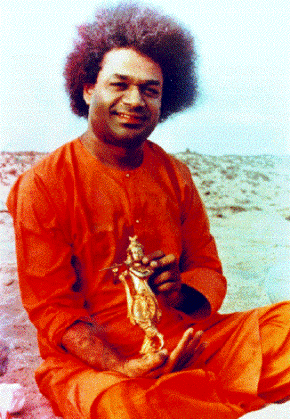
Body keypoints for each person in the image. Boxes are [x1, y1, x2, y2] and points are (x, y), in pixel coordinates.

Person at [7, 3, 290, 419]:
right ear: (88, 89)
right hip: (97, 367)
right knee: (133, 408)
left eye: (150, 89)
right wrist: (122, 367)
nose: (135, 100)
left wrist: (180, 291)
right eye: (119, 84)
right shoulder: (43, 184)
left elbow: (208, 269)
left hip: (189, 341)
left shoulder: (175, 175)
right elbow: (53, 310)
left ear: (164, 100)